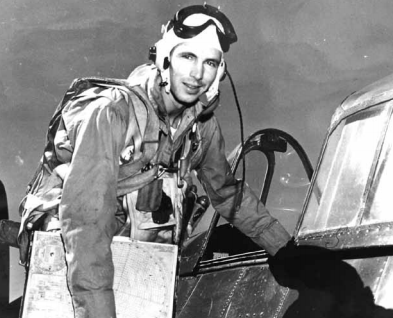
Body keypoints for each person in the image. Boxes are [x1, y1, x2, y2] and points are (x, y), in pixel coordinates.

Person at [18, 4, 291, 318]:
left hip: (142, 274)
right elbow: (86, 224)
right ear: (165, 58)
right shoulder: (112, 112)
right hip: (74, 263)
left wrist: (285, 250)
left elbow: (227, 194)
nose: (198, 74)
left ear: (220, 72)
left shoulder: (201, 128)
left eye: (210, 62)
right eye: (187, 57)